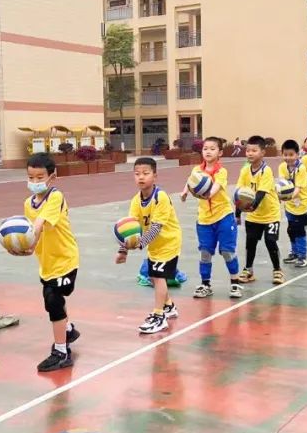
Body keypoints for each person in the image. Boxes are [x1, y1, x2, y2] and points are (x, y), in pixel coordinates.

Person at [18, 153, 81, 371]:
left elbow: (41, 222)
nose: (35, 182)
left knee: (54, 300)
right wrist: (27, 247)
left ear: (52, 177)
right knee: (50, 302)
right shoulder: (28, 203)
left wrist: (29, 237)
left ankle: (61, 352)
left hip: (65, 260)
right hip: (46, 262)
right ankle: (69, 329)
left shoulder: (56, 197)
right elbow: (34, 232)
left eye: (39, 177)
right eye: (31, 177)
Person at [117, 157, 181, 335]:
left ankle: (159, 316)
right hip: (155, 246)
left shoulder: (160, 197)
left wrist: (139, 245)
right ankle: (169, 306)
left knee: (158, 277)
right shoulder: (136, 200)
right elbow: (130, 227)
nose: (141, 177)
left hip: (168, 242)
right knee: (153, 277)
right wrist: (123, 250)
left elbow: (156, 228)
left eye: (146, 173)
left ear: (155, 176)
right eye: (137, 174)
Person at [180, 136, 243, 299]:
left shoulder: (221, 171)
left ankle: (235, 283)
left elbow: (215, 188)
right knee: (205, 252)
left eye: (212, 148)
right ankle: (205, 284)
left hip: (223, 216)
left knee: (227, 251)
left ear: (220, 152)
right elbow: (189, 182)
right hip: (204, 219)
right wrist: (185, 192)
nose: (208, 151)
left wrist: (207, 194)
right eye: (205, 148)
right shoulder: (196, 170)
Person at [235, 135, 284, 285]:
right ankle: (248, 270)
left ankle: (277, 270)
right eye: (248, 150)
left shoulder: (266, 171)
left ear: (263, 152)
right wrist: (238, 213)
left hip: (270, 214)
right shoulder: (245, 171)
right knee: (250, 244)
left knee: (270, 242)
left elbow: (261, 193)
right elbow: (239, 192)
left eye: (254, 150)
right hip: (253, 216)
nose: (250, 153)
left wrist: (251, 207)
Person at [278, 139, 307, 268]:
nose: (288, 157)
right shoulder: (282, 167)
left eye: (291, 154)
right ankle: (294, 252)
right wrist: (280, 195)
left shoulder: (301, 169)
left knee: (299, 230)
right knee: (290, 229)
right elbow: (282, 184)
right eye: (285, 154)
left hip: (301, 204)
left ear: (297, 154)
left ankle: (302, 256)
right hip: (289, 205)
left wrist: (287, 196)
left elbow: (298, 188)